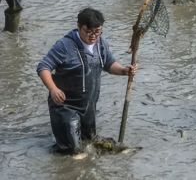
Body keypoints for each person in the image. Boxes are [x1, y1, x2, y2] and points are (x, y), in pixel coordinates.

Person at [37, 8, 137, 154]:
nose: (93, 36)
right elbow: (43, 67)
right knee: (74, 151)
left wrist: (123, 71)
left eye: (97, 31)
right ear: (79, 26)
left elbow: (108, 63)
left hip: (88, 106)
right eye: (88, 31)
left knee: (90, 141)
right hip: (65, 106)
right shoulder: (64, 46)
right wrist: (53, 89)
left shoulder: (101, 43)